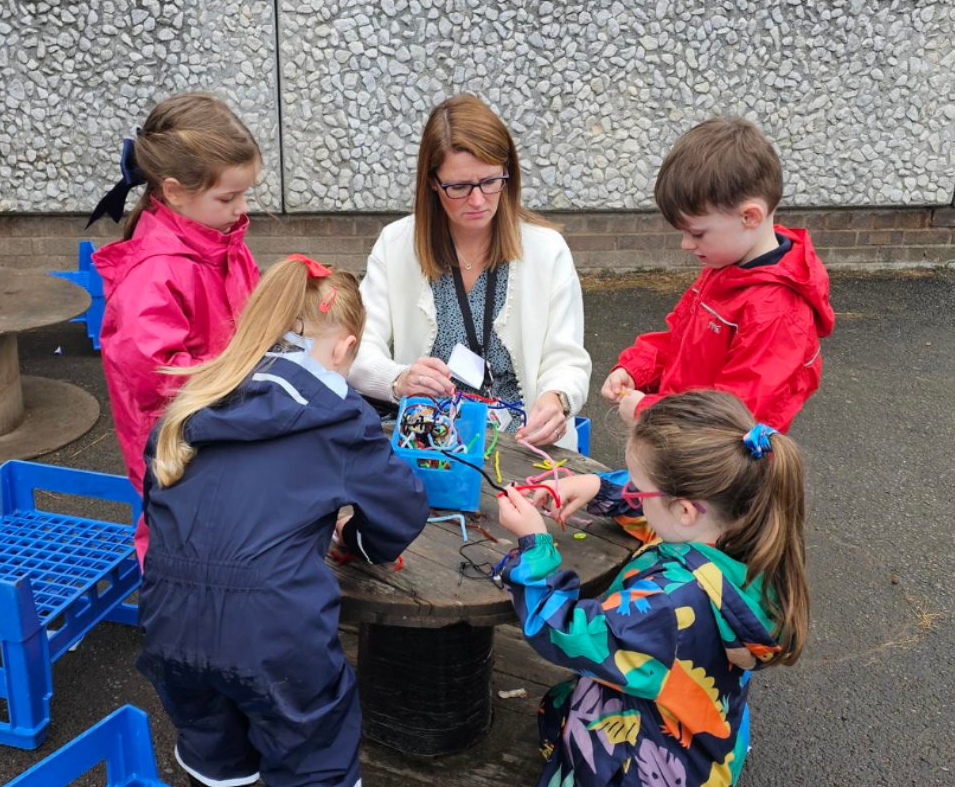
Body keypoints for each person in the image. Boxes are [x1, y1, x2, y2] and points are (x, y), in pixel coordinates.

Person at [137, 255, 430, 787]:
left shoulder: (190, 399)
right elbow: (403, 508)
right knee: (313, 759)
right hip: (276, 638)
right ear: (345, 349)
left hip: (168, 624)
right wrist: (362, 542)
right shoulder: (340, 417)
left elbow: (158, 506)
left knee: (215, 765)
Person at [494, 389, 809, 787]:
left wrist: (533, 548)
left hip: (650, 764)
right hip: (707, 734)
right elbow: (668, 517)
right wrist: (596, 486)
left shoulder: (669, 604)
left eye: (639, 491)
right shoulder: (747, 528)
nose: (635, 496)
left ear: (685, 509)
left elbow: (566, 632)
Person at [349, 94, 591, 449]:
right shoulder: (396, 244)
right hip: (431, 446)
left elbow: (566, 358)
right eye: (459, 187)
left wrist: (558, 399)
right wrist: (398, 379)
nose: (478, 201)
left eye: (491, 181)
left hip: (526, 444)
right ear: (432, 182)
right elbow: (357, 347)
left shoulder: (547, 249)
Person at [89, 92, 263, 563]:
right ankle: (177, 623)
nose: (241, 208)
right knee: (181, 540)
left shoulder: (222, 241)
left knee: (225, 534)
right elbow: (157, 375)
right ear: (172, 190)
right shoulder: (155, 272)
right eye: (228, 196)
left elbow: (252, 312)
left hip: (223, 420)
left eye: (245, 193)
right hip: (177, 444)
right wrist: (248, 376)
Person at [601, 117, 834, 433]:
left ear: (749, 217)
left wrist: (648, 410)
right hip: (679, 441)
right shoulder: (727, 270)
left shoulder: (776, 312)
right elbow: (679, 338)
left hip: (715, 468)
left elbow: (731, 415)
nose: (686, 245)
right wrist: (636, 369)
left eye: (696, 233)